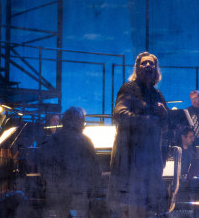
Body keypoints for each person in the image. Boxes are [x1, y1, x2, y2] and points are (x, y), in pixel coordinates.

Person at [107, 52, 170, 217]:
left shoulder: (157, 94)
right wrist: (148, 119)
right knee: (131, 206)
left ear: (156, 68)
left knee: (148, 207)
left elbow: (166, 127)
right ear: (137, 67)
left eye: (151, 63)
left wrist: (164, 114)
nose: (148, 66)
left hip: (150, 159)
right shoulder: (129, 88)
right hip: (130, 158)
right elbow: (120, 114)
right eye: (144, 63)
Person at [38, 106, 101, 217]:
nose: (84, 126)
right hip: (78, 196)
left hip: (55, 197)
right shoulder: (85, 141)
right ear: (79, 123)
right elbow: (96, 172)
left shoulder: (49, 141)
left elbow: (43, 172)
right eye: (83, 122)